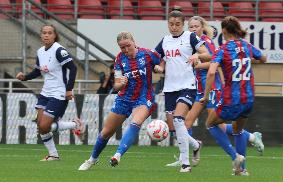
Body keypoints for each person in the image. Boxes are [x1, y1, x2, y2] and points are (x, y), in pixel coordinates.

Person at [166, 16, 264, 169]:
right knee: (186, 123)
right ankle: (185, 155)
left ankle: (240, 152)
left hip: (212, 87)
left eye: (196, 26)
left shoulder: (207, 42)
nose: (193, 29)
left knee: (217, 125)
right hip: (198, 88)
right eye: (190, 27)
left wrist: (195, 64)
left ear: (202, 28)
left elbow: (212, 64)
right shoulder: (188, 41)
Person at [78, 31, 162, 170]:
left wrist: (159, 67)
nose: (126, 49)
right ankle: (92, 159)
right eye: (122, 47)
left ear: (134, 42)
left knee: (136, 122)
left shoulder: (148, 54)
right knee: (106, 132)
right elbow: (116, 85)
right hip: (124, 98)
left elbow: (162, 62)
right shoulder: (119, 59)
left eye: (128, 45)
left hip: (143, 98)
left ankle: (117, 155)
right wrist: (120, 83)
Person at [199, 16, 267, 175]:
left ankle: (235, 156)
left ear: (223, 31)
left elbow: (211, 72)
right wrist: (249, 61)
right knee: (237, 130)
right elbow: (263, 58)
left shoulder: (223, 49)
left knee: (210, 124)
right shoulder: (247, 46)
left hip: (232, 98)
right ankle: (241, 170)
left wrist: (206, 95)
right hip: (249, 97)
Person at [16, 24, 85, 161]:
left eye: (49, 33)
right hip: (45, 93)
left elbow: (73, 68)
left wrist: (69, 89)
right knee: (41, 127)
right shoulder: (40, 51)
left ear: (55, 35)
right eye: (44, 33)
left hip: (59, 93)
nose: (46, 35)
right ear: (41, 35)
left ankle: (74, 124)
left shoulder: (59, 50)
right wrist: (25, 77)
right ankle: (53, 155)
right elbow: (37, 71)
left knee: (44, 126)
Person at [154, 10, 211, 172]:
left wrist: (196, 56)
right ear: (168, 24)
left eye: (177, 24)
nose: (174, 27)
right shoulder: (164, 41)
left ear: (183, 24)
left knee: (179, 119)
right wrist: (158, 67)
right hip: (170, 88)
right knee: (173, 129)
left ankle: (185, 164)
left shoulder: (190, 37)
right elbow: (159, 59)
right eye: (171, 24)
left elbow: (208, 54)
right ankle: (195, 144)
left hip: (187, 86)